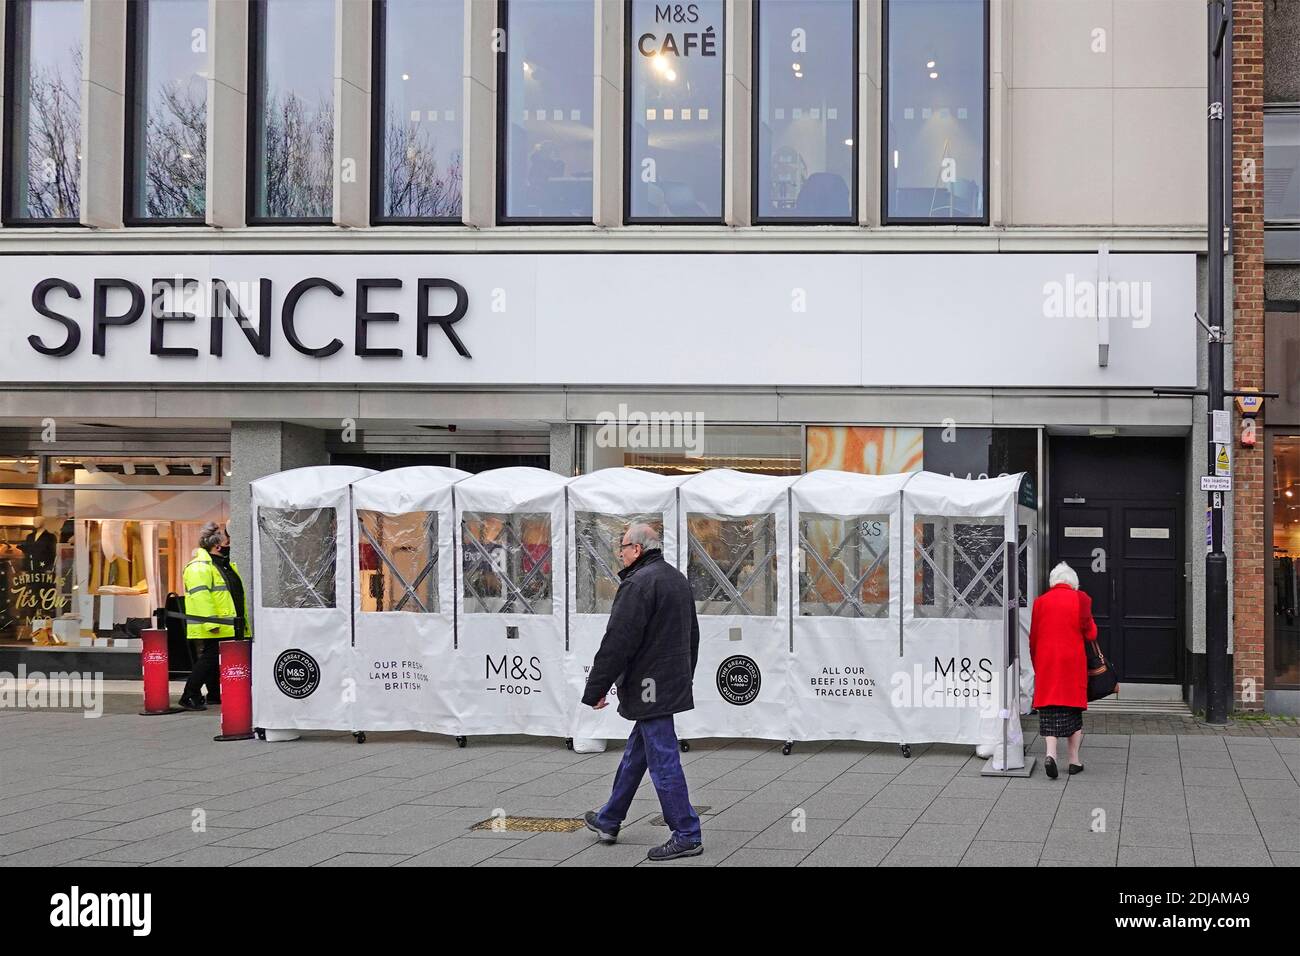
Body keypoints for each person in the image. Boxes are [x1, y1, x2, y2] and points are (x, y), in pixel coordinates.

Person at [582, 522, 703, 861]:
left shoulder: (638, 584)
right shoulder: (675, 578)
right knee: (639, 752)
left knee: (663, 758)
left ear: (636, 549)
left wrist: (596, 688)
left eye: (622, 547)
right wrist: (684, 676)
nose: (619, 554)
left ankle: (687, 832)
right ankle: (609, 819)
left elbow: (618, 642)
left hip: (650, 685)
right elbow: (692, 634)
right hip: (668, 681)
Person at [1029, 561, 1108, 778]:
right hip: (1071, 662)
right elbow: (1090, 634)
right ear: (1073, 582)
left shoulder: (1040, 602)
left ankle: (1051, 755)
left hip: (1047, 661)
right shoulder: (1081, 599)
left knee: (1049, 708)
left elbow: (1034, 637)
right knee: (1072, 709)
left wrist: (1037, 664)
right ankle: (1074, 760)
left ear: (1053, 581)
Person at [178, 522, 251, 710]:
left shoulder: (223, 565)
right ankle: (189, 694)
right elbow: (201, 597)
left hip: (229, 622)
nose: (230, 544)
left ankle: (213, 694)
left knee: (213, 660)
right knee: (209, 659)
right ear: (217, 546)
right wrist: (211, 623)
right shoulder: (199, 567)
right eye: (228, 541)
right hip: (215, 623)